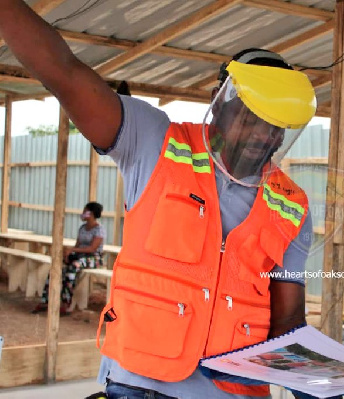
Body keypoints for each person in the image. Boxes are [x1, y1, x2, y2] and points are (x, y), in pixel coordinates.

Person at [0, 3, 317, 398]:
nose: (261, 135)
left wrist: (316, 379)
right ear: (221, 104)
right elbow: (64, 72)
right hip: (140, 385)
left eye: (275, 124)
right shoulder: (154, 142)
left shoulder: (292, 204)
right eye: (250, 117)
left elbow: (288, 317)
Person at [33, 201, 105, 315]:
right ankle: (46, 300)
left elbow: (92, 249)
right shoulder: (82, 228)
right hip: (80, 256)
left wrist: (72, 250)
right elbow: (78, 246)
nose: (83, 213)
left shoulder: (99, 229)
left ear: (91, 214)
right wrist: (68, 254)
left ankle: (65, 303)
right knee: (56, 268)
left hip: (93, 258)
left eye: (85, 211)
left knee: (72, 268)